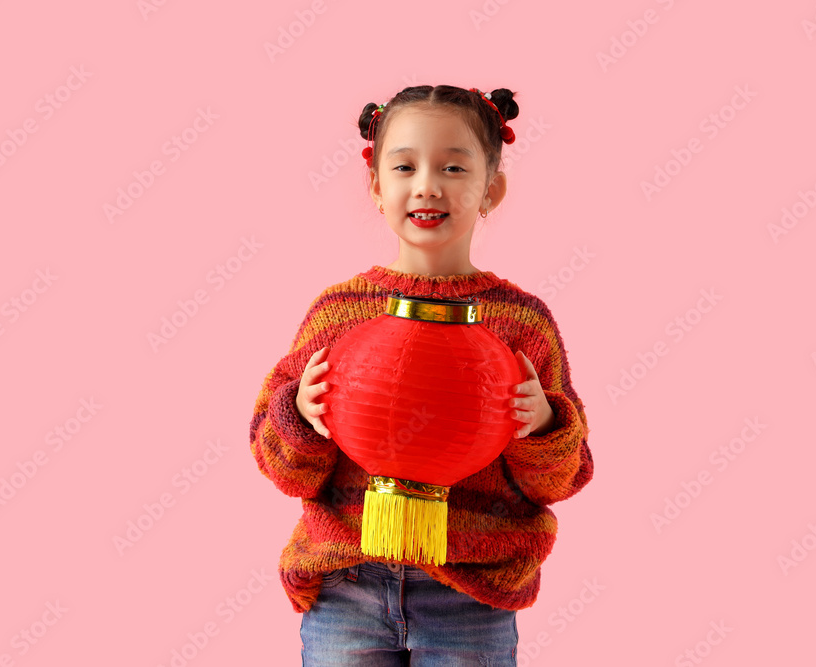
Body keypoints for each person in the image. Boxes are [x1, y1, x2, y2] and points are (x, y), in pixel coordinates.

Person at [249, 84, 593, 666]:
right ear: (378, 188)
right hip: (346, 583)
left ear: (492, 189)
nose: (427, 184)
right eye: (405, 166)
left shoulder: (522, 324)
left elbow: (561, 479)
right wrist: (300, 415)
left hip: (472, 594)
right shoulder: (338, 313)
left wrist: (543, 425)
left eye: (454, 166)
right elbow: (284, 468)